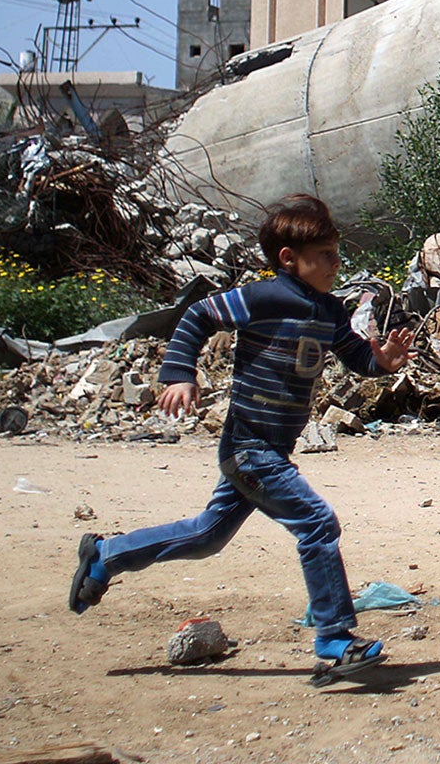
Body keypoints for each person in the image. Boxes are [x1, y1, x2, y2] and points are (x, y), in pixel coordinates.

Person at [67, 193, 414, 686]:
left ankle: (107, 556)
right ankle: (335, 641)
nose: (336, 264)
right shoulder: (264, 298)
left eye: (337, 254)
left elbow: (354, 357)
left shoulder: (332, 311)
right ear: (289, 261)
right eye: (325, 256)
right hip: (249, 447)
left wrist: (381, 362)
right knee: (316, 522)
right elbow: (197, 317)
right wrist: (179, 374)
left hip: (270, 450)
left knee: (206, 536)